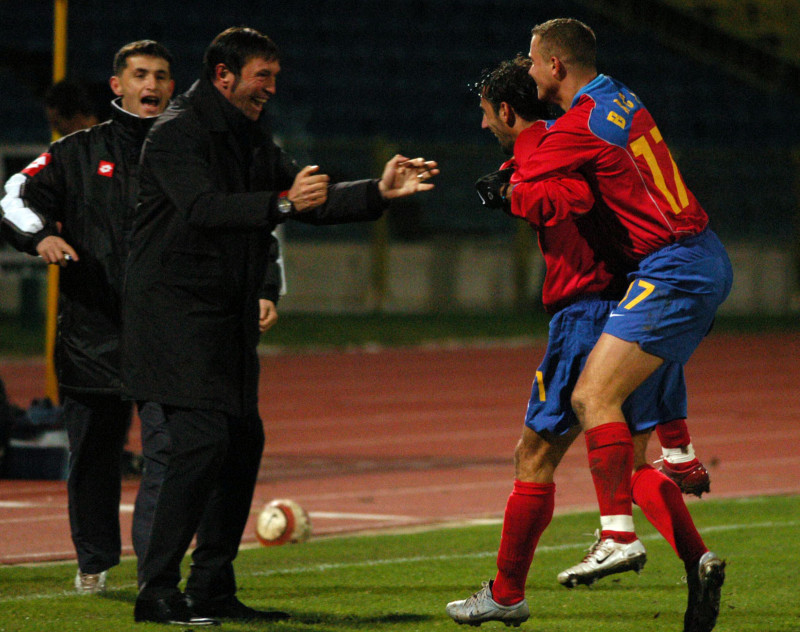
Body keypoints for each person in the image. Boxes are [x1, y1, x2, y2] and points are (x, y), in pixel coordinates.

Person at [123, 26, 438, 626]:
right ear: (223, 76)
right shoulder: (176, 134)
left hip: (225, 320)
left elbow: (305, 198)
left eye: (274, 76)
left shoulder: (250, 135)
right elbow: (204, 208)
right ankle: (156, 591)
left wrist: (378, 191)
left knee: (241, 446)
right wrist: (284, 204)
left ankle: (211, 588)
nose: (271, 87)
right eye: (261, 76)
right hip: (173, 319)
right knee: (200, 446)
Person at [446, 56, 725, 632]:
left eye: (485, 114)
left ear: (505, 110)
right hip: (636, 302)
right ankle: (698, 557)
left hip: (585, 312)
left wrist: (516, 193)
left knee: (535, 455)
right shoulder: (577, 131)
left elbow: (567, 198)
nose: (482, 125)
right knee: (632, 457)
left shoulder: (548, 145)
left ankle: (506, 592)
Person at [0, 41, 180, 594]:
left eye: (162, 75)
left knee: (168, 456)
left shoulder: (190, 153)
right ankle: (95, 561)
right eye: (141, 74)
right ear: (117, 85)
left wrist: (261, 289)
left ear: (172, 88)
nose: (151, 84)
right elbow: (12, 197)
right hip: (90, 335)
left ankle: (158, 571)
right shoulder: (75, 152)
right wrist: (42, 236)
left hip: (166, 335)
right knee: (95, 457)